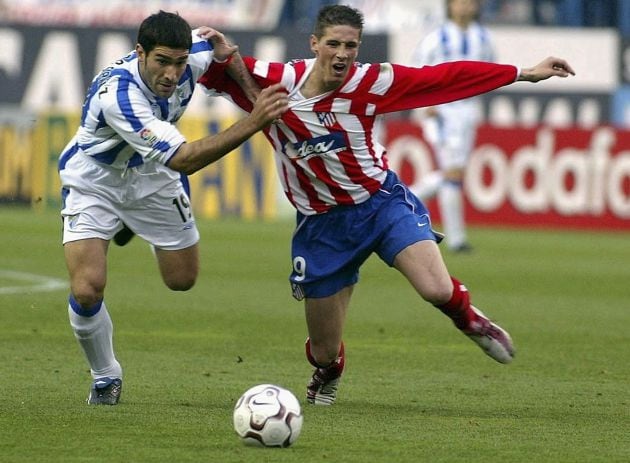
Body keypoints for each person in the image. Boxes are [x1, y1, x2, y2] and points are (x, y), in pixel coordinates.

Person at [198, 4, 574, 405]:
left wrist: (522, 73)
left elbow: (444, 77)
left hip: (380, 204)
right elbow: (217, 71)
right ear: (314, 44)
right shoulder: (278, 80)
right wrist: (216, 49)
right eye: (333, 44)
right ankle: (330, 369)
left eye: (351, 46)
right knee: (323, 350)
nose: (342, 54)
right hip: (321, 226)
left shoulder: (371, 82)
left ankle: (470, 319)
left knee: (435, 288)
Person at [59, 10, 288, 405]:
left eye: (179, 63)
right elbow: (184, 160)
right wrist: (255, 118)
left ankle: (130, 225)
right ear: (140, 53)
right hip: (97, 180)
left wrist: (250, 91)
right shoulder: (121, 96)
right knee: (87, 288)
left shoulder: (191, 53)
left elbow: (222, 49)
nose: (171, 73)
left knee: (181, 280)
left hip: (152, 177)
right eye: (161, 61)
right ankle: (105, 375)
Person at [408, 0, 495, 252]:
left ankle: (402, 200)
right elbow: (417, 69)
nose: (466, 6)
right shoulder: (437, 37)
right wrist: (426, 101)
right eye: (460, 2)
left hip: (469, 110)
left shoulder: (483, 38)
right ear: (450, 6)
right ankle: (457, 240)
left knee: (452, 174)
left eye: (471, 2)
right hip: (443, 108)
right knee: (452, 172)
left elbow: (491, 69)